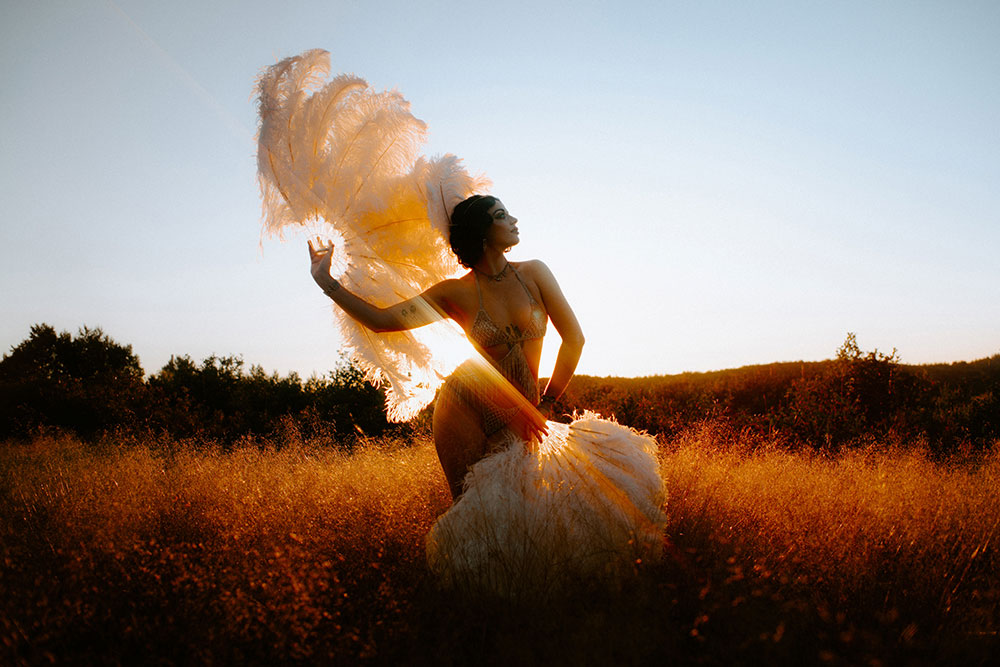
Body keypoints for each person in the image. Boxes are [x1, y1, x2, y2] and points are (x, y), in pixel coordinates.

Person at [308, 194, 583, 500]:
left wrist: (547, 404)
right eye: (502, 215)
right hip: (466, 407)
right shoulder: (455, 292)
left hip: (528, 406)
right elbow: (382, 320)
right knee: (476, 506)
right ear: (481, 229)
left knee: (530, 503)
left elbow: (574, 339)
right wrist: (325, 281)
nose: (514, 221)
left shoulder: (534, 273)